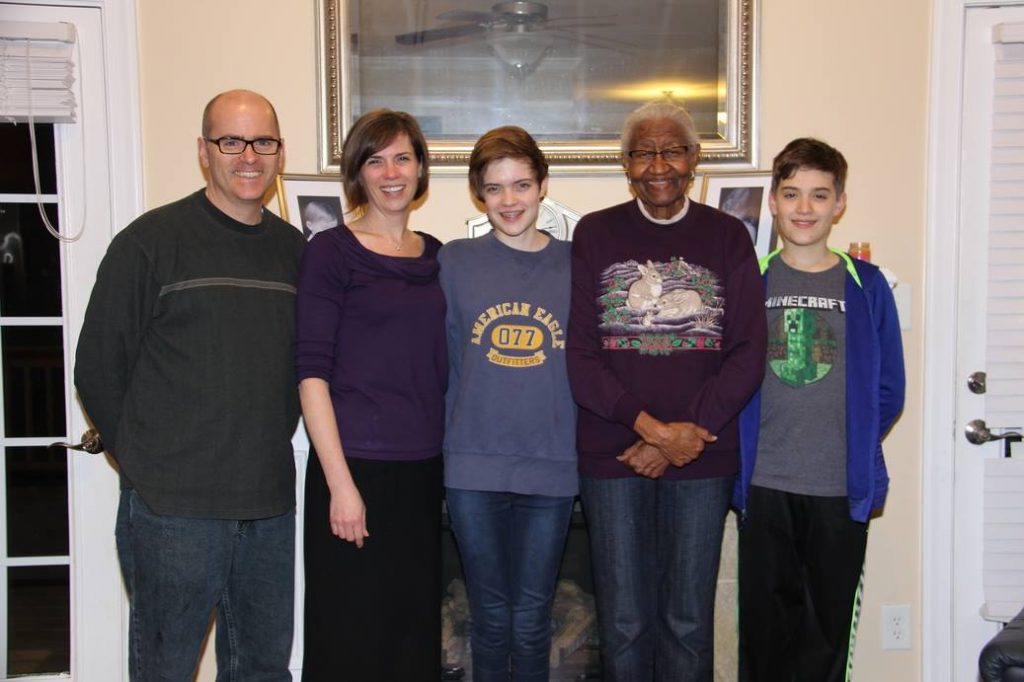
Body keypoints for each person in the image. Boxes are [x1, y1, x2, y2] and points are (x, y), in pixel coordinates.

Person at [74, 89, 304, 681]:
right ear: (204, 151)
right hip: (174, 511)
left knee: (262, 669)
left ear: (280, 152)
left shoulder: (295, 253)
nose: (248, 156)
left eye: (264, 142)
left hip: (268, 505)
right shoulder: (149, 242)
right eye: (232, 141)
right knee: (167, 669)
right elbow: (97, 366)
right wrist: (146, 467)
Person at [566, 98, 767, 681]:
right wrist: (651, 431)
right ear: (626, 164)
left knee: (687, 619)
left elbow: (748, 352)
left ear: (694, 159)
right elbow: (580, 355)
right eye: (644, 152)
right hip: (613, 453)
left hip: (703, 458)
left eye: (672, 149)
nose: (659, 165)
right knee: (624, 620)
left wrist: (685, 435)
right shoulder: (595, 234)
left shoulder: (729, 237)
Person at [735, 138, 906, 681]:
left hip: (838, 490)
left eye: (818, 195)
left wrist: (852, 442)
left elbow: (889, 389)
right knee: (764, 636)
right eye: (791, 194)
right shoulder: (751, 279)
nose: (804, 208)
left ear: (840, 204)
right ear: (774, 201)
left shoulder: (867, 284)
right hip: (764, 486)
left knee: (824, 635)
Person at [296, 108, 446, 681]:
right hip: (354, 467)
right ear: (358, 173)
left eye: (402, 157)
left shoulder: (435, 256)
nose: (391, 172)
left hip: (423, 467)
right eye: (375, 159)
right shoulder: (330, 252)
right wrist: (340, 486)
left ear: (420, 168)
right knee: (351, 638)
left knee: (411, 639)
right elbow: (311, 374)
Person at [439, 126, 577, 681]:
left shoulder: (578, 262)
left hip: (553, 466)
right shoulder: (454, 262)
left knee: (533, 618)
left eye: (522, 184)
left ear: (543, 185)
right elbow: (440, 361)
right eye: (495, 189)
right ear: (479, 194)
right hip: (473, 466)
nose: (510, 200)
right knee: (491, 618)